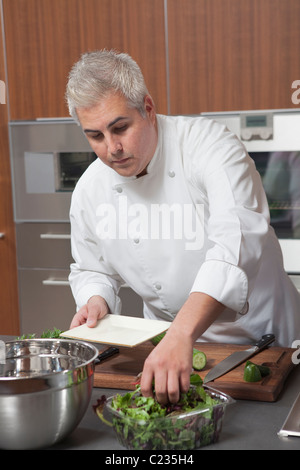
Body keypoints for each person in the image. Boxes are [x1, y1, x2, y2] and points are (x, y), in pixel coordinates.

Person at [65, 50, 300, 404]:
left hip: (264, 343)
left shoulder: (210, 147)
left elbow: (233, 248)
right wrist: (95, 300)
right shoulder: (89, 189)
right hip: (166, 352)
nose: (112, 148)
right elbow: (90, 268)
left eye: (120, 128)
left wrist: (182, 333)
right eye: (95, 136)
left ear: (147, 107)